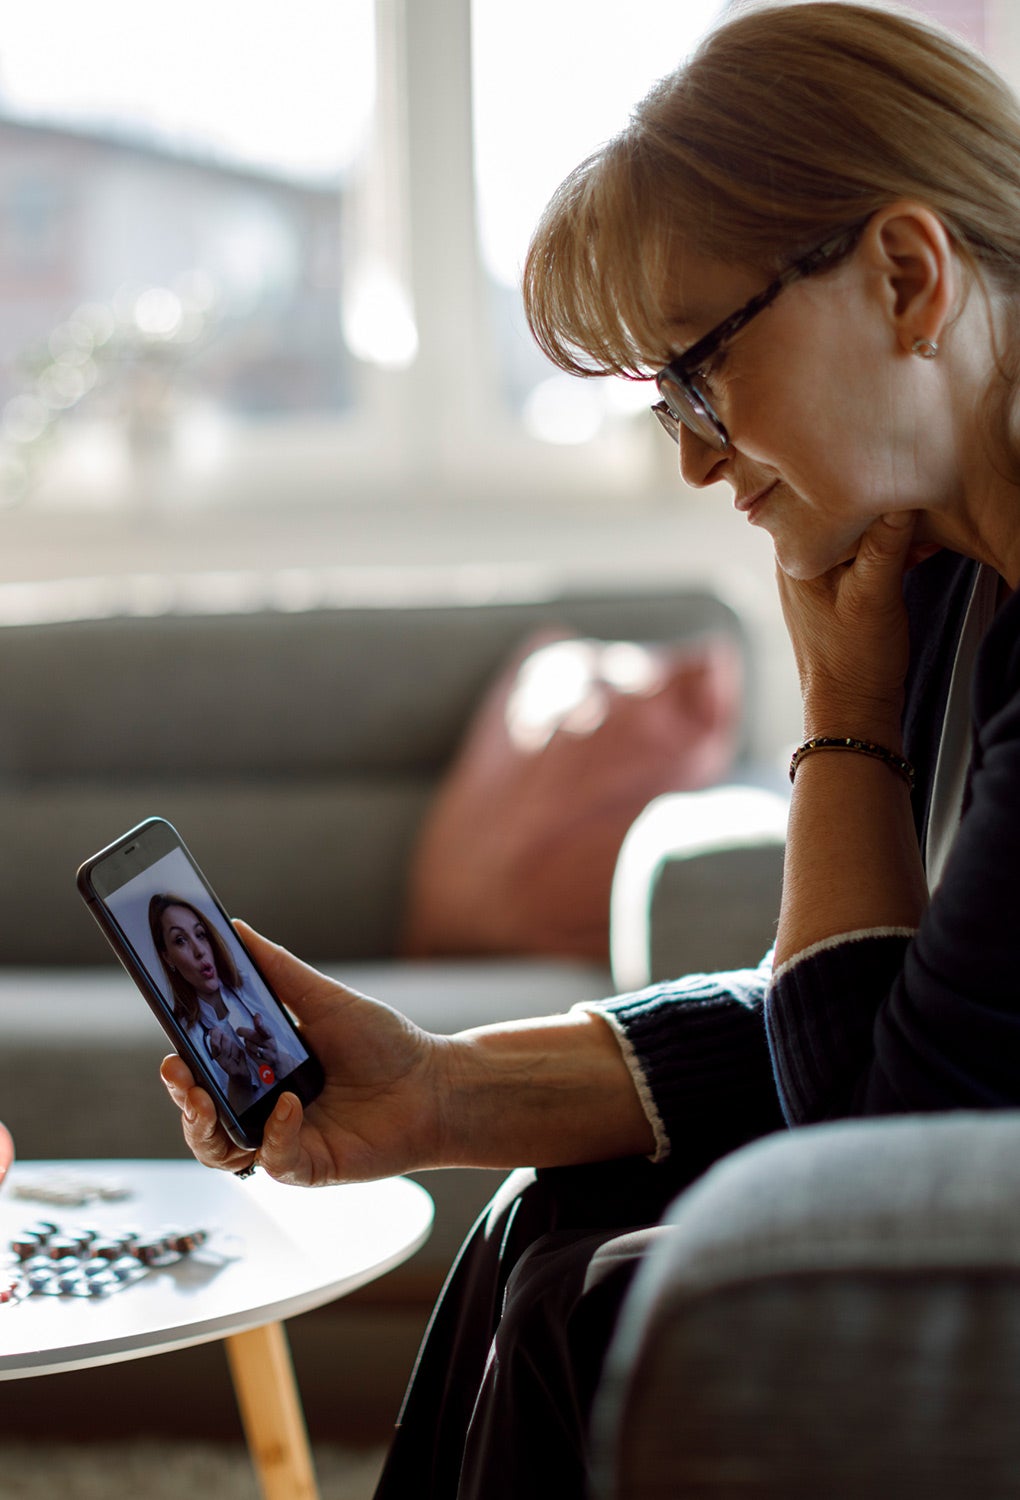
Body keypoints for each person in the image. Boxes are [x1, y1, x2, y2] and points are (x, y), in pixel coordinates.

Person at [160, 3, 1020, 1494]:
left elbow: (887, 1179)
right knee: (540, 1226)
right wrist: (436, 1090)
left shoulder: (909, 620)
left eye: (699, 373)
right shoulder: (943, 576)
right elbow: (892, 1027)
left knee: (591, 1302)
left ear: (905, 274)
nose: (689, 455)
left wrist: (841, 720)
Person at [149, 894, 303, 1113]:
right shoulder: (187, 1035)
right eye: (180, 940)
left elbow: (304, 1068)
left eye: (200, 934)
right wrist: (239, 1083)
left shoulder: (251, 986)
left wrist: (277, 1059)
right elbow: (228, 1119)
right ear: (168, 957)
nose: (199, 950)